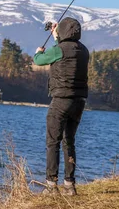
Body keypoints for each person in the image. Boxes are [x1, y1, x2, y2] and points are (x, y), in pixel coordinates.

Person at [34, 17, 89, 196]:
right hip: (79, 101)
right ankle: (70, 185)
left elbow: (39, 60)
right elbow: (67, 50)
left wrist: (38, 52)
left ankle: (51, 186)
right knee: (69, 142)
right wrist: (57, 36)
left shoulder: (58, 50)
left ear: (64, 31)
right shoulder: (84, 50)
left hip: (61, 100)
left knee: (53, 142)